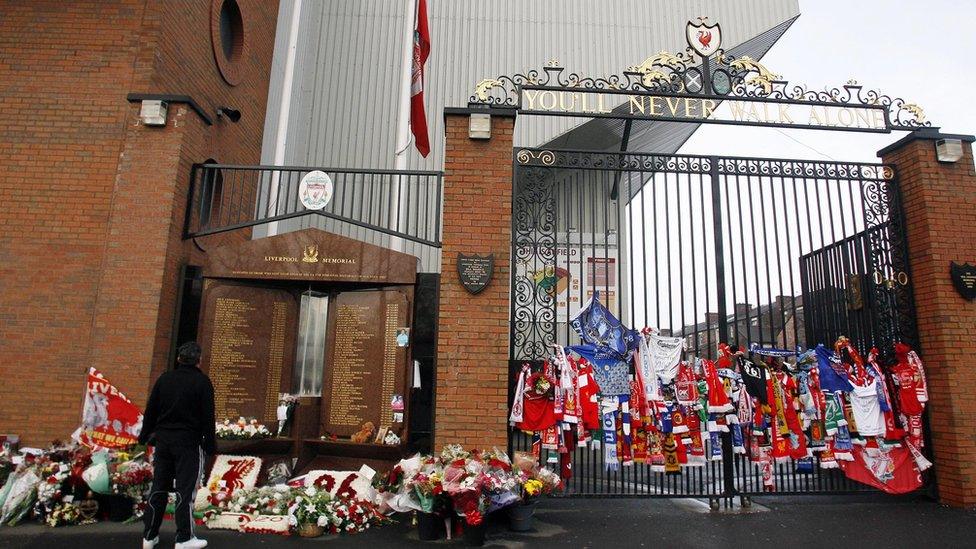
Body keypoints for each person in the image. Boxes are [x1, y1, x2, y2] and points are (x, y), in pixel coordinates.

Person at [139, 341, 216, 549]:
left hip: (163, 442)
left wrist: (144, 435)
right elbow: (208, 417)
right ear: (199, 361)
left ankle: (149, 536)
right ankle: (184, 538)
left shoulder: (164, 379)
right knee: (185, 490)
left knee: (159, 488)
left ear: (179, 359)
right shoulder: (202, 382)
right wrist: (210, 445)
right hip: (188, 443)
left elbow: (151, 409)